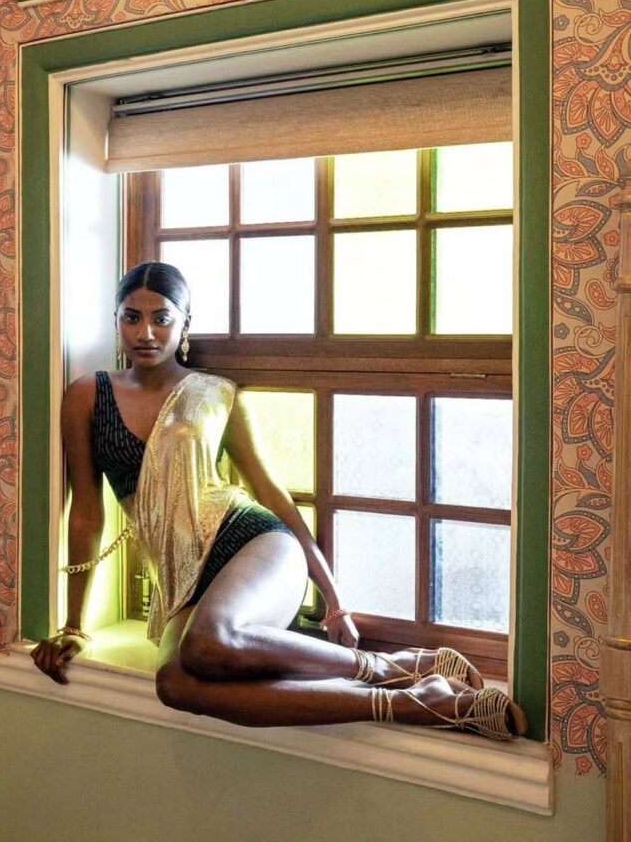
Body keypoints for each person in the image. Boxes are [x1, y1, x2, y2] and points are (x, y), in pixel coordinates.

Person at [31, 262, 527, 740]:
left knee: (207, 643)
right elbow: (87, 514)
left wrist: (334, 602)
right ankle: (414, 700)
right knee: (175, 684)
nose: (146, 333)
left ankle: (388, 668)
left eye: (162, 318)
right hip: (183, 578)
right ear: (116, 321)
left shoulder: (216, 394)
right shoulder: (87, 395)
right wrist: (75, 625)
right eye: (132, 317)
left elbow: (273, 496)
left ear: (185, 325)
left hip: (251, 544)